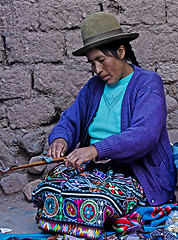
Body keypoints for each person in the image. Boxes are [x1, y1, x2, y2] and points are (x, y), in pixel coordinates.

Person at [32, 12, 176, 238]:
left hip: (134, 174)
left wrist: (96, 150)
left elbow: (143, 135)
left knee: (92, 202)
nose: (97, 70)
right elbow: (71, 119)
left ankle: (80, 218)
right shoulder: (93, 87)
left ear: (121, 51)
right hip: (97, 171)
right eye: (92, 63)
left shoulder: (148, 83)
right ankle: (82, 218)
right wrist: (60, 139)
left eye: (101, 60)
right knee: (48, 189)